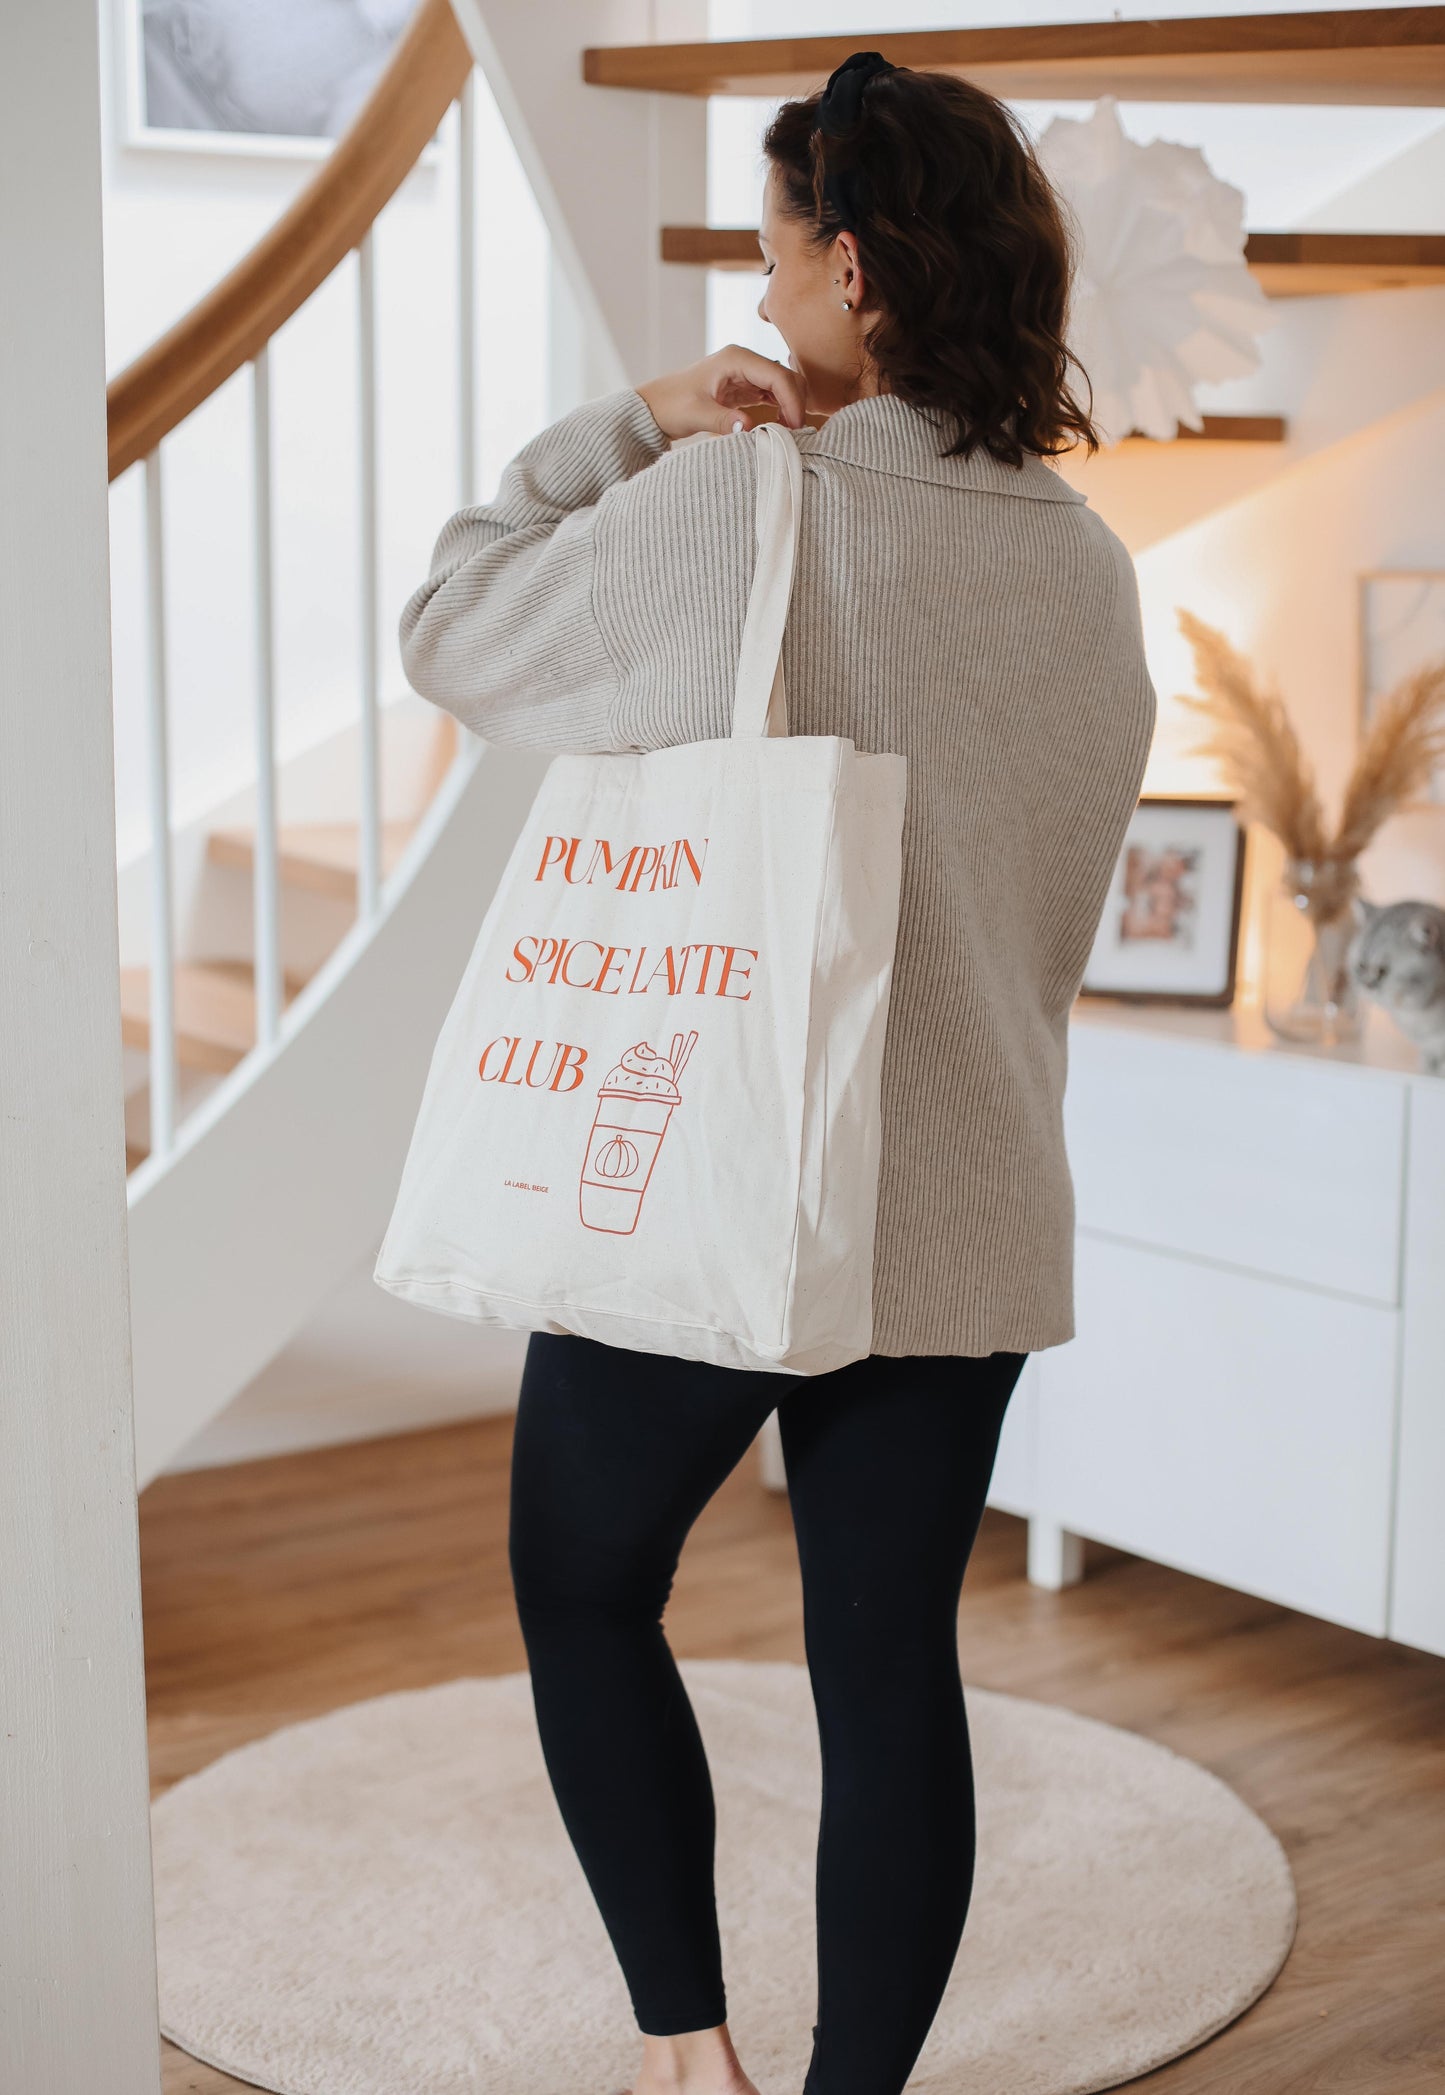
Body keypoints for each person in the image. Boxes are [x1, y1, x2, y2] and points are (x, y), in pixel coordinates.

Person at [397, 50, 1156, 2095]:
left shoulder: (748, 502)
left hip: (721, 1163)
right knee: (890, 1664)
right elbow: (1051, 911)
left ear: (848, 269)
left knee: (581, 1584)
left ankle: (687, 2057)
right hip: (972, 1188)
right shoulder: (1090, 568)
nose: (761, 290)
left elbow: (454, 624)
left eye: (769, 252)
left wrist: (640, 417)